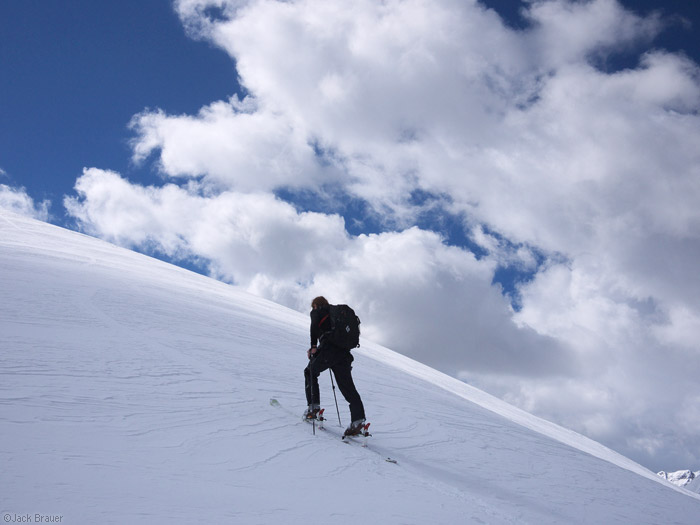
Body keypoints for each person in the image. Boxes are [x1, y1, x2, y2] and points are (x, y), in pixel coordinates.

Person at [303, 296, 366, 436]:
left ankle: (313, 408)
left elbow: (314, 327)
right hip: (344, 354)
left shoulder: (317, 311)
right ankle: (358, 421)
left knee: (310, 371)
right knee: (348, 387)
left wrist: (313, 347)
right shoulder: (335, 313)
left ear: (315, 305)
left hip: (329, 351)